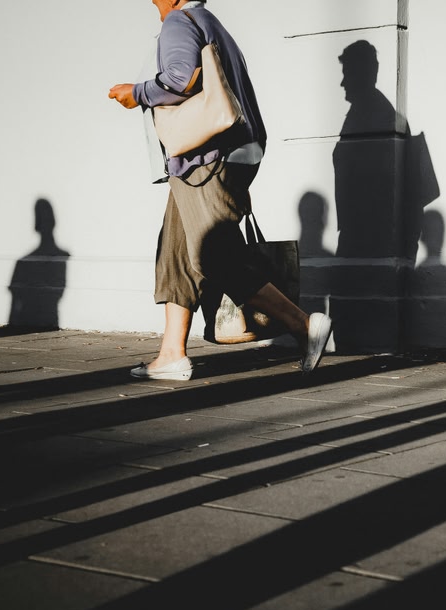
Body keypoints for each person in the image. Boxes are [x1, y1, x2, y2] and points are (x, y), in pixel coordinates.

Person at [108, 0, 331, 380]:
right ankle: (171, 356)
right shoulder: (210, 22)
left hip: (206, 160)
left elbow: (179, 79)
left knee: (215, 257)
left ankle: (303, 324)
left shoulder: (179, 21)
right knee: (176, 253)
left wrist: (137, 92)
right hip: (220, 157)